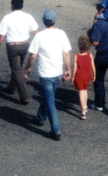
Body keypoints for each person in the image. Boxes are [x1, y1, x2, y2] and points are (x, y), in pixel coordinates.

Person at [26, 9, 72, 140]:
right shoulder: (61, 34)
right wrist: (67, 69)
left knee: (50, 101)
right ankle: (40, 117)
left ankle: (56, 130)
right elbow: (66, 53)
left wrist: (27, 68)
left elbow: (32, 55)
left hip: (45, 74)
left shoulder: (39, 36)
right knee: (49, 97)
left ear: (43, 21)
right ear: (55, 21)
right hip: (58, 73)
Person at [0, 0, 39, 105]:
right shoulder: (28, 16)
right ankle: (11, 88)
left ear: (12, 5)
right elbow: (36, 33)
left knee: (16, 71)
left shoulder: (7, 18)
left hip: (12, 47)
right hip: (25, 45)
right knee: (17, 68)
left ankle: (24, 96)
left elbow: (1, 36)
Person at [72, 35, 95, 120]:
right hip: (88, 76)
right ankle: (85, 106)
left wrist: (73, 77)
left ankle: (83, 112)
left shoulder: (76, 56)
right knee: (85, 90)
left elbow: (74, 68)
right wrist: (94, 75)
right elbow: (93, 67)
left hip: (79, 76)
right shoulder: (90, 55)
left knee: (81, 92)